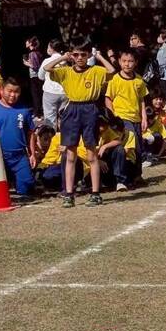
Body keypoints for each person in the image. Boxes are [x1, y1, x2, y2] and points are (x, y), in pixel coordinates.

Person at [44, 37, 115, 208]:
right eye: (76, 55)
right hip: (72, 110)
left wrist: (99, 56)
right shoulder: (66, 72)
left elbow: (112, 70)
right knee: (70, 154)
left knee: (91, 154)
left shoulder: (96, 71)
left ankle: (95, 193)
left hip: (90, 109)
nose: (80, 58)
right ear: (72, 55)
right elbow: (47, 68)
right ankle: (69, 193)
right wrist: (63, 57)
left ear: (88, 54)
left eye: (83, 54)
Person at [105, 50, 148, 174]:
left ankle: (137, 175)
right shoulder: (115, 79)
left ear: (136, 62)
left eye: (130, 61)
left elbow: (141, 100)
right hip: (122, 118)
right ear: (119, 61)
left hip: (136, 119)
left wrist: (144, 118)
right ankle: (123, 176)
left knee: (139, 148)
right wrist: (113, 117)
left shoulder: (139, 80)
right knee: (130, 146)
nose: (127, 64)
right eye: (124, 61)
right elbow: (108, 99)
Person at [38, 39, 68, 128]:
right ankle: (64, 135)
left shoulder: (47, 61)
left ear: (51, 48)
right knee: (63, 117)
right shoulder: (66, 61)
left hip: (50, 92)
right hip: (64, 92)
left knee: (50, 119)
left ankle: (51, 136)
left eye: (48, 46)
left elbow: (40, 76)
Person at [23, 36, 44, 120]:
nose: (25, 43)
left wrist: (27, 63)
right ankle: (38, 113)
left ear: (30, 43)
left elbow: (35, 66)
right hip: (38, 76)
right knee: (38, 94)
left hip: (35, 76)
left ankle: (38, 114)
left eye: (27, 42)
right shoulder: (37, 52)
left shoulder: (32, 53)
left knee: (36, 95)